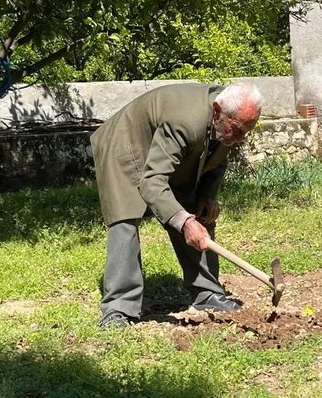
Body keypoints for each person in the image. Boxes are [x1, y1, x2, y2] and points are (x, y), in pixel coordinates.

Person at [90, 82, 264, 328]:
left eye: (246, 131)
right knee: (124, 220)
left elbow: (217, 159)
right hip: (125, 144)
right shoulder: (186, 121)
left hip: (167, 148)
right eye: (237, 130)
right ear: (216, 111)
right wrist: (184, 222)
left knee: (197, 211)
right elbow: (152, 183)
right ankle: (118, 308)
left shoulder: (228, 118)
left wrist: (207, 195)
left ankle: (207, 293)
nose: (240, 139)